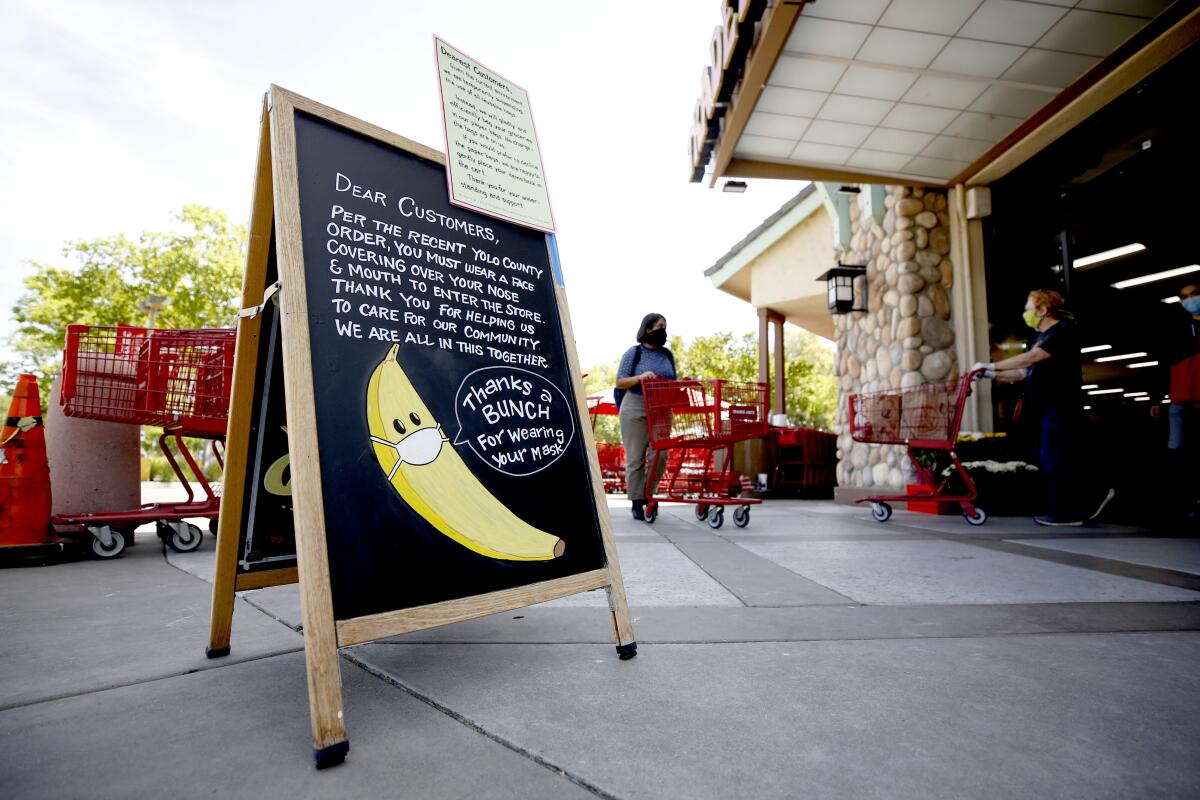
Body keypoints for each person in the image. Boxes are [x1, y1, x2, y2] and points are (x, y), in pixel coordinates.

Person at [974, 289, 1111, 526]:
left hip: (1061, 406)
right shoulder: (1037, 338)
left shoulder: (1062, 332)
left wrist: (992, 365)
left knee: (1056, 457)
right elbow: (1022, 373)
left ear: (1044, 310)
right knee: (1052, 456)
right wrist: (989, 374)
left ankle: (1066, 512)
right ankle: (1072, 506)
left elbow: (1034, 358)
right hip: (1043, 408)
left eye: (1028, 308)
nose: (1025, 314)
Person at [615, 313, 677, 520]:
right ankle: (637, 501)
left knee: (661, 455)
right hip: (635, 404)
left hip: (662, 406)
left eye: (665, 326)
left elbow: (673, 381)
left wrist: (685, 381)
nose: (663, 330)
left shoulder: (667, 355)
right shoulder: (634, 353)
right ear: (648, 329)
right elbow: (620, 382)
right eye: (659, 326)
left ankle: (648, 493)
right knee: (635, 457)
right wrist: (640, 377)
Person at [1159, 283, 1200, 520]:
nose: (1189, 299)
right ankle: (1182, 505)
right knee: (1177, 452)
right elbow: (1163, 363)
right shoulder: (1177, 328)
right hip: (1181, 398)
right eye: (1184, 297)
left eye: (1194, 294)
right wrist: (1157, 397)